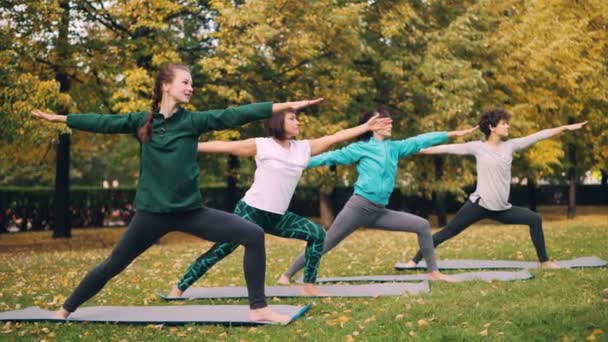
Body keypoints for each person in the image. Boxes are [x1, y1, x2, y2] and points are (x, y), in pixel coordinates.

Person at [31, 63, 322, 323]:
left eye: (191, 83)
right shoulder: (141, 121)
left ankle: (258, 308)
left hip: (190, 212)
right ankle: (65, 310)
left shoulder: (192, 122)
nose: (190, 88)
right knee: (113, 265)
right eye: (185, 82)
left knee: (252, 235)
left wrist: (287, 105)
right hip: (151, 215)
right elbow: (103, 122)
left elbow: (236, 114)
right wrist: (62, 119)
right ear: (165, 85)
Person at [168, 109, 392, 297]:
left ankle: (309, 285)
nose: (298, 121)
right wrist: (187, 146)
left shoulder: (303, 148)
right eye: (292, 118)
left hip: (276, 216)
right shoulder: (262, 145)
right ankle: (179, 288)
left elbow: (336, 137)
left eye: (297, 118)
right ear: (278, 122)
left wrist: (366, 127)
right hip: (250, 212)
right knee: (221, 250)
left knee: (316, 234)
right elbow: (223, 146)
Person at [282, 110, 478, 283]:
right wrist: (299, 163)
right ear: (373, 125)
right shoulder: (361, 148)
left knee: (422, 225)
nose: (391, 124)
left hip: (379, 211)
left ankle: (433, 272)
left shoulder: (394, 148)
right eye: (386, 122)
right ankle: (286, 275)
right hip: (358, 208)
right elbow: (330, 157)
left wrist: (451, 134)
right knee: (325, 244)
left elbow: (420, 140)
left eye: (391, 121)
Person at [403, 108, 587, 269]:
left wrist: (564, 128)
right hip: (478, 205)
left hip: (502, 209)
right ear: (492, 127)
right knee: (448, 232)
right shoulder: (477, 147)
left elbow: (539, 135)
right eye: (504, 123)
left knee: (535, 219)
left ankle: (545, 262)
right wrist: (413, 149)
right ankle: (414, 260)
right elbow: (444, 148)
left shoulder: (510, 146)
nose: (507, 126)